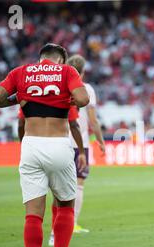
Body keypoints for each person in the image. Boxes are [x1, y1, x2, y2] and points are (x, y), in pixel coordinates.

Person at [0, 43, 89, 247]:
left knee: (33, 214)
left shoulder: (21, 72)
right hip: (58, 143)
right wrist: (66, 97)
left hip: (31, 145)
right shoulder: (66, 72)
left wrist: (20, 98)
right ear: (61, 60)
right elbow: (83, 99)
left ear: (41, 58)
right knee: (65, 205)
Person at [17, 106, 87, 246]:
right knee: (62, 198)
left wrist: (23, 144)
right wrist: (82, 152)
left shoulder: (29, 91)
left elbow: (20, 122)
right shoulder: (65, 93)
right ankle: (56, 245)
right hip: (60, 148)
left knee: (34, 206)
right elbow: (74, 123)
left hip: (33, 148)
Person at [65, 54, 106, 235]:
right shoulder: (87, 89)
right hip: (79, 144)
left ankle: (59, 225)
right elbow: (93, 121)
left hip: (59, 141)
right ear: (83, 71)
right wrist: (101, 141)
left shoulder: (61, 86)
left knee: (61, 186)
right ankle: (72, 223)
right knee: (79, 184)